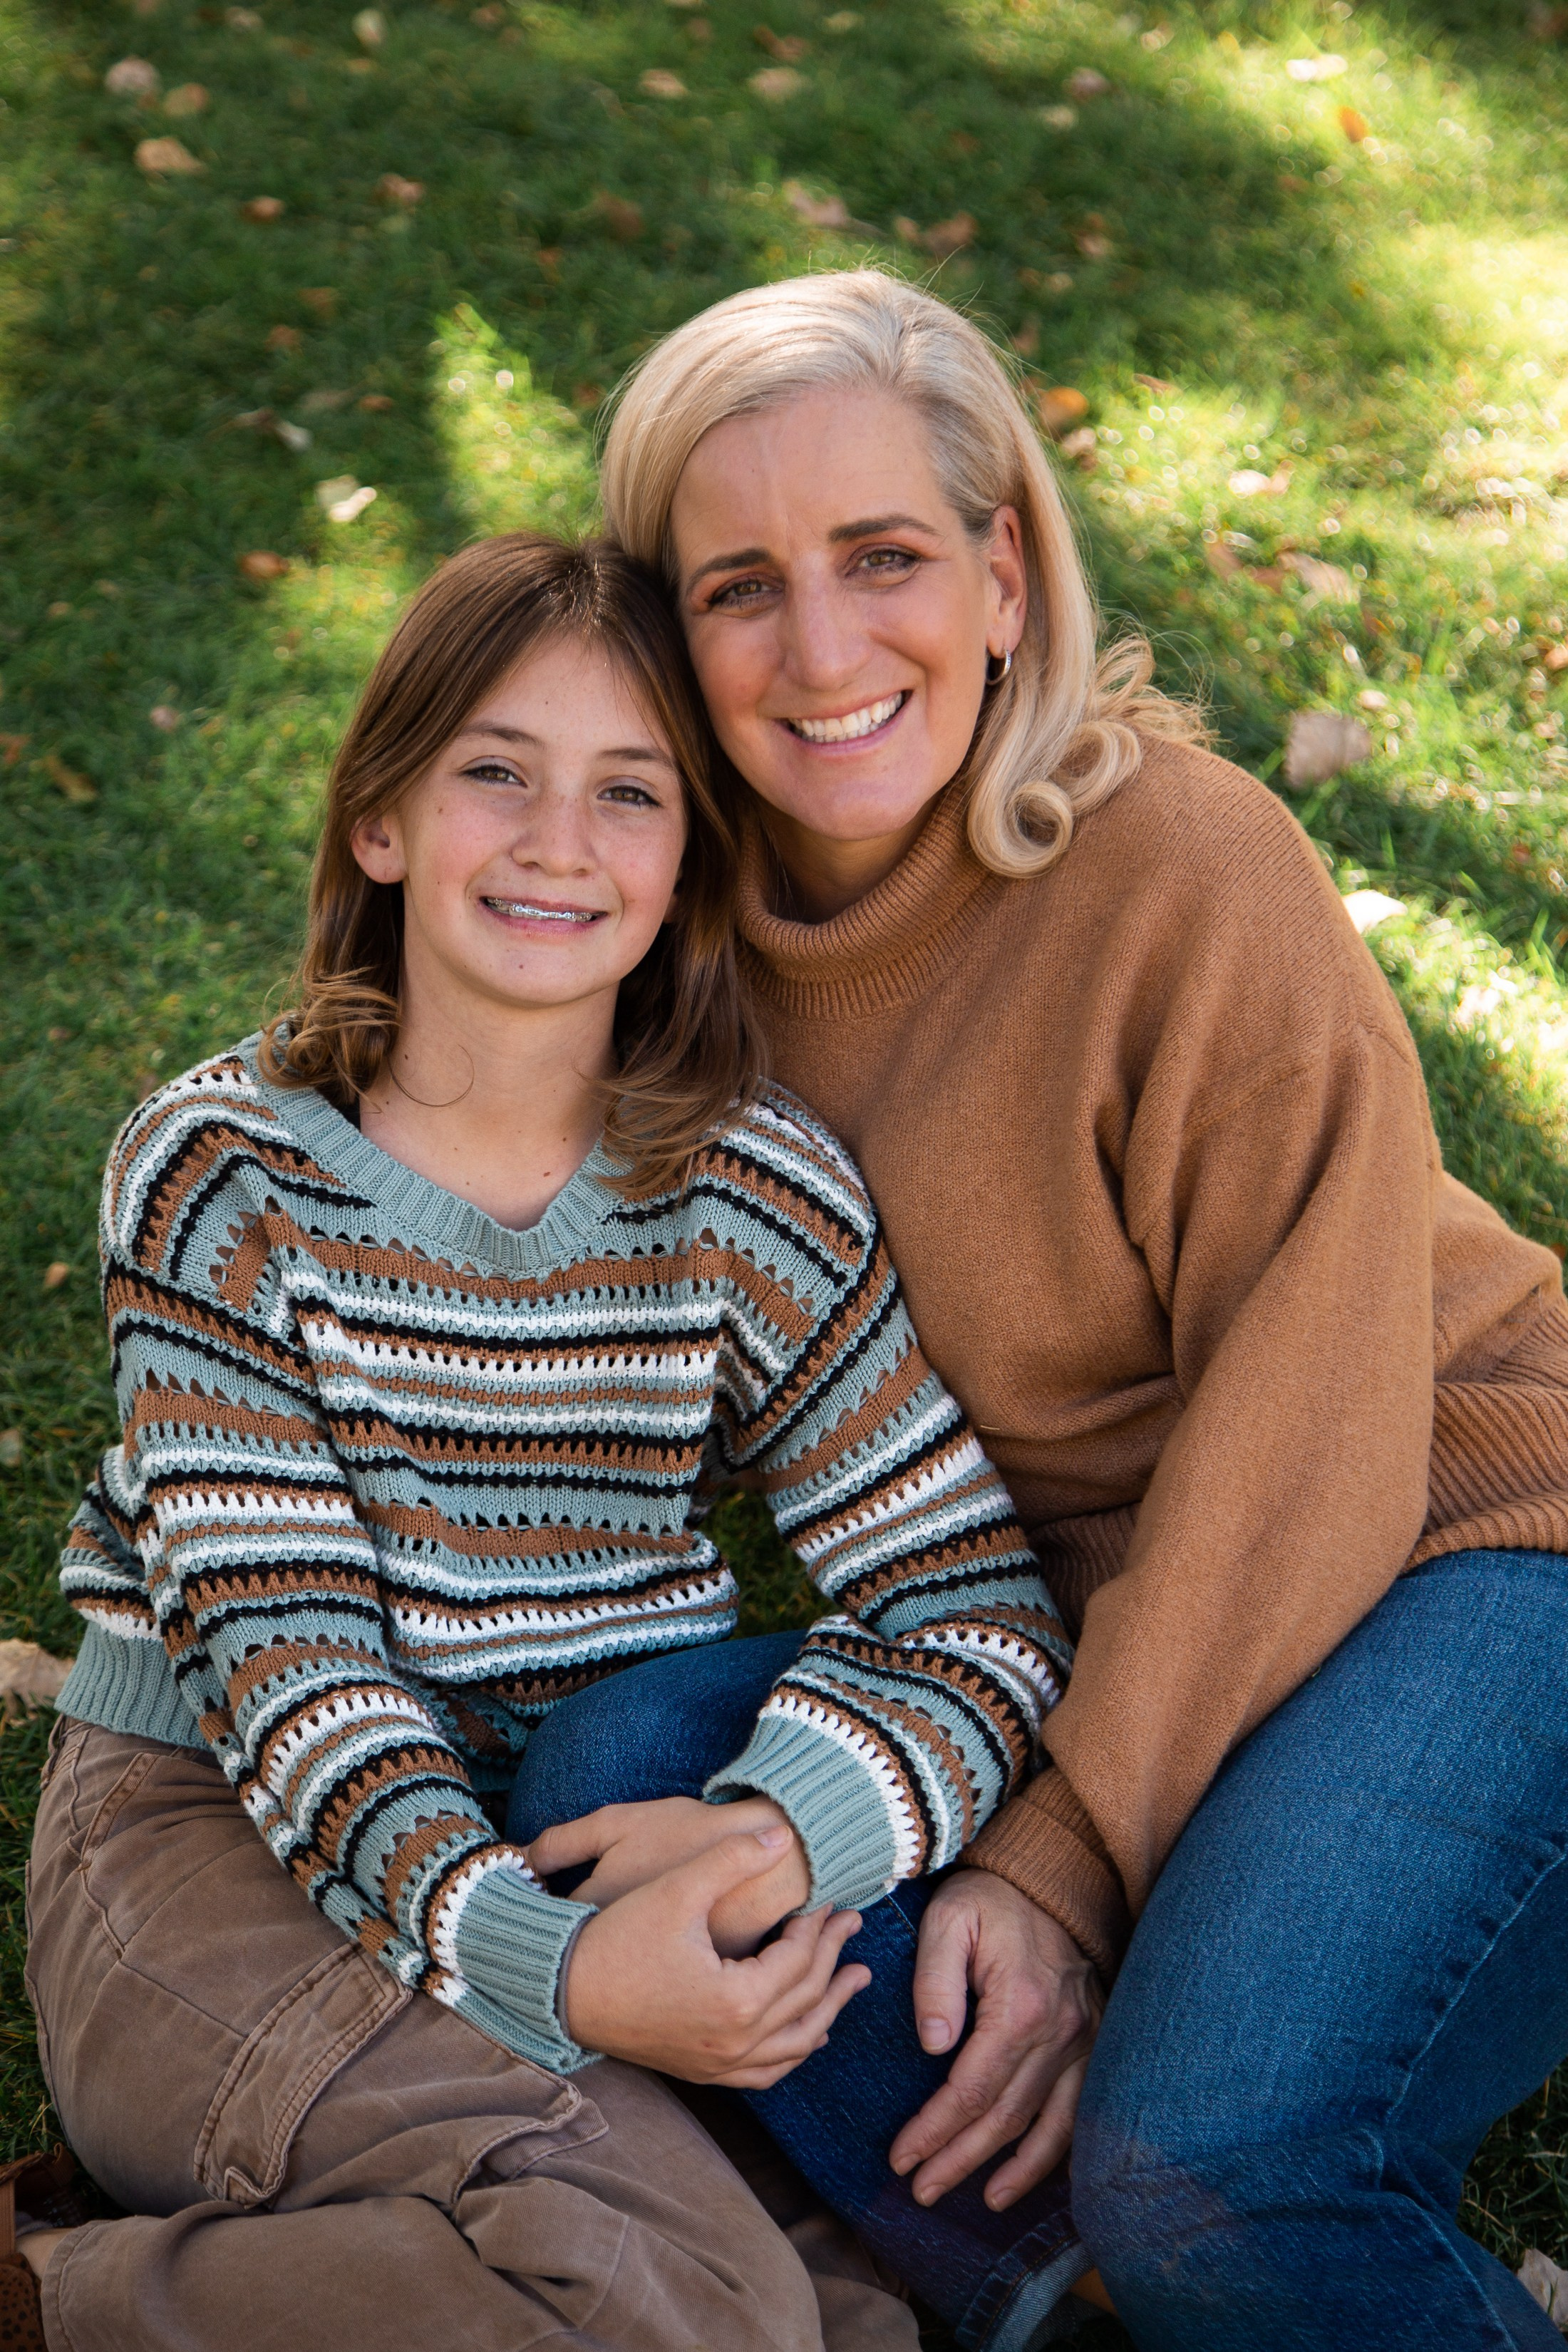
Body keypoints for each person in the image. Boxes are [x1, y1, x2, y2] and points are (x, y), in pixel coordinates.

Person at [502, 267, 1568, 2352]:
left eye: (885, 556)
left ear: (1004, 573)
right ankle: (1078, 2298)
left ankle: (1197, 2216)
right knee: (616, 1782)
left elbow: (1308, 1432)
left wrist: (1063, 1856)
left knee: (1214, 2156)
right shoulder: (666, 929)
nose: (823, 651)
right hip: (1066, 1618)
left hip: (1464, 1541)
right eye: (739, 585)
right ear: (663, 629)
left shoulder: (1185, 869)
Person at [20, 532, 1077, 2352]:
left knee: (840, 2324)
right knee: (678, 2305)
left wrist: (778, 1835)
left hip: (559, 1839)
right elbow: (292, 1676)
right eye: (493, 773)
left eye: (629, 792)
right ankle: (61, 2300)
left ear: (687, 861)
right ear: (380, 820)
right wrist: (562, 1971)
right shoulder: (221, 1172)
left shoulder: (755, 1191)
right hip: (208, 1859)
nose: (558, 843)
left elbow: (970, 1607)